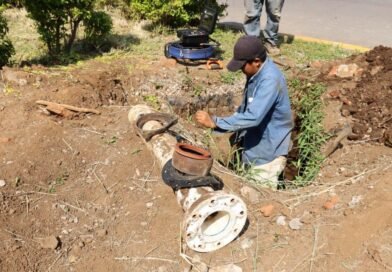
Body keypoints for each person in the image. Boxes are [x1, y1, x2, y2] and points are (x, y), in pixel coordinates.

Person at [195, 36, 292, 189]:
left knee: (258, 197)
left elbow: (253, 117)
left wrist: (216, 122)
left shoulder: (270, 80)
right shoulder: (256, 73)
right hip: (254, 145)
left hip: (267, 155)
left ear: (256, 61)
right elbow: (248, 108)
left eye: (242, 65)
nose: (240, 69)